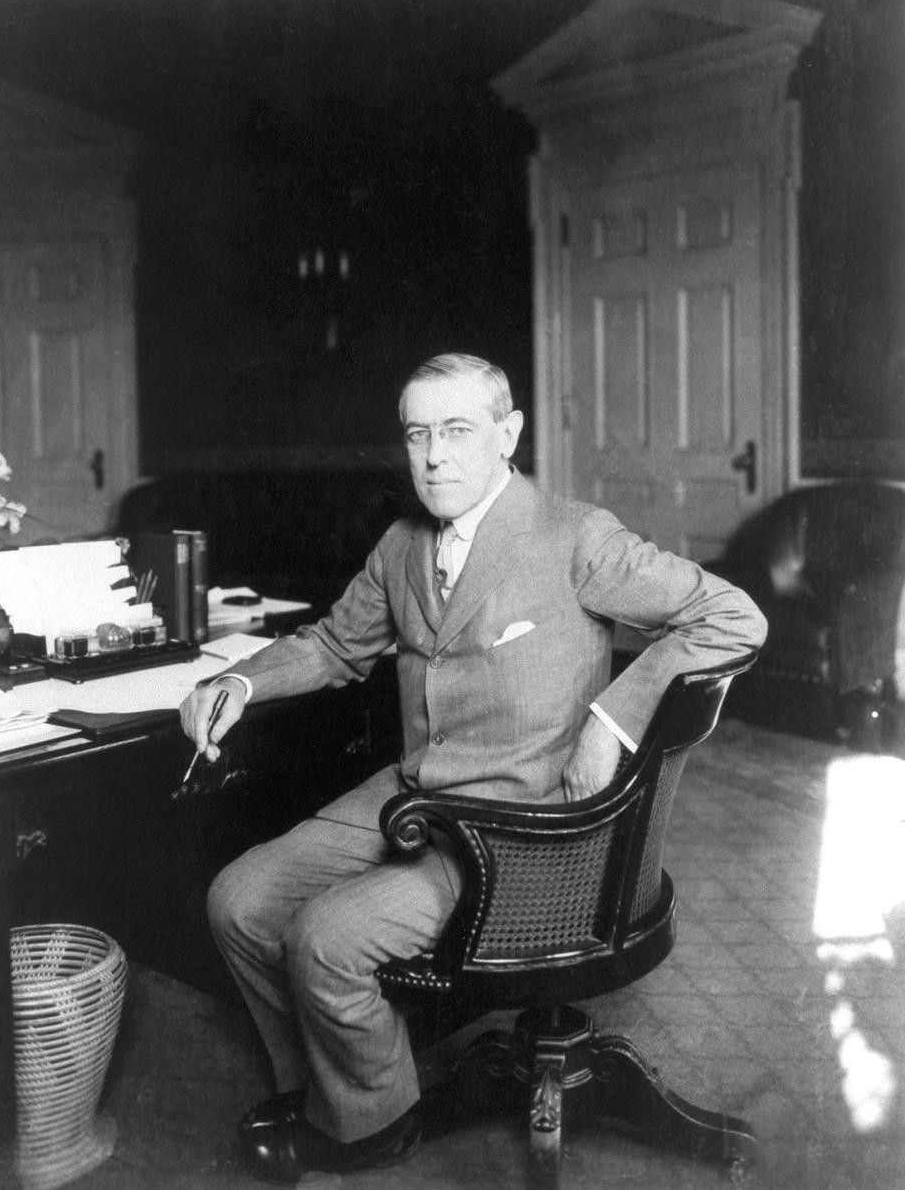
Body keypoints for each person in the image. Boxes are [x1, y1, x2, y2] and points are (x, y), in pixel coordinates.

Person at [179, 352, 766, 1184]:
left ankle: (367, 1128)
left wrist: (612, 718)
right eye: (417, 434)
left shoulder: (576, 536)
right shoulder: (401, 544)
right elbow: (337, 644)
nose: (434, 456)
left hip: (524, 821)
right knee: (239, 900)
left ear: (509, 434)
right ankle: (327, 1087)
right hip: (418, 793)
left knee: (326, 938)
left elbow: (732, 614)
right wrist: (240, 678)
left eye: (457, 431)